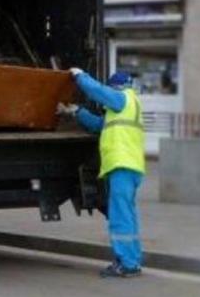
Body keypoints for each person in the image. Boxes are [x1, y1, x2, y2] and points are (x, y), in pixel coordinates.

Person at [58, 69, 145, 278]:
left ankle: (126, 264)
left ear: (117, 86)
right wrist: (75, 111)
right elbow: (99, 125)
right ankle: (132, 260)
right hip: (130, 167)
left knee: (119, 217)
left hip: (122, 166)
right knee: (128, 216)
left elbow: (98, 91)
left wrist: (80, 76)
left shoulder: (122, 98)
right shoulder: (126, 107)